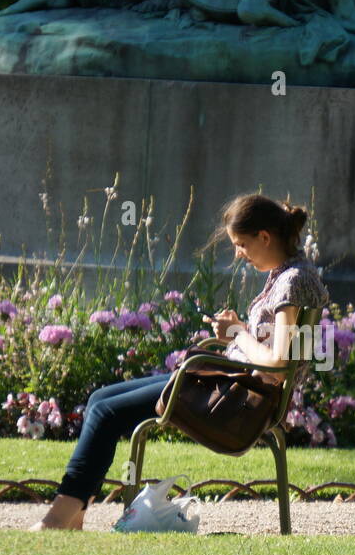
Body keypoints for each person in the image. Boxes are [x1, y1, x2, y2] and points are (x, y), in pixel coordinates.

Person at [30, 193, 330, 530]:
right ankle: (73, 519)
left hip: (240, 401)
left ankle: (57, 519)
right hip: (235, 387)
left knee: (105, 412)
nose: (238, 254)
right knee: (100, 399)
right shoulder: (291, 274)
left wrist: (236, 334)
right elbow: (284, 350)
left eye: (241, 244)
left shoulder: (293, 281)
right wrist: (242, 331)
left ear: (264, 237)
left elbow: (278, 363)